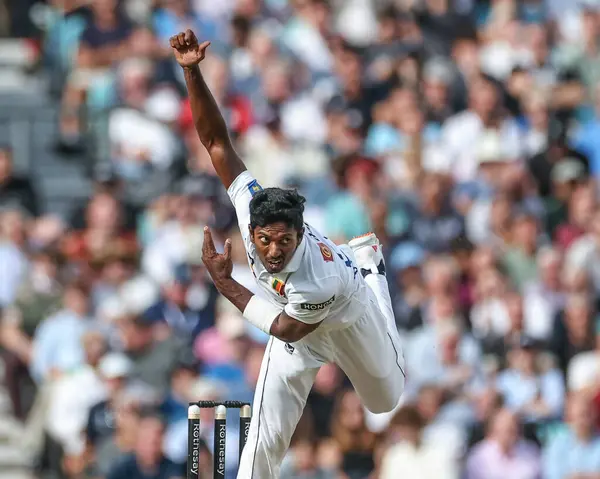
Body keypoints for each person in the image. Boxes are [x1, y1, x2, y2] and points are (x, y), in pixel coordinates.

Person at [169, 29, 406, 479]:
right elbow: (216, 142)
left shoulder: (318, 276)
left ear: (301, 234)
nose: (274, 250)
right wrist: (192, 72)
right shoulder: (250, 207)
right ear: (252, 229)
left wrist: (225, 283)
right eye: (265, 240)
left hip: (343, 315)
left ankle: (372, 269)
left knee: (384, 401)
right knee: (264, 437)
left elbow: (286, 328)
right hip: (292, 322)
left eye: (285, 240)